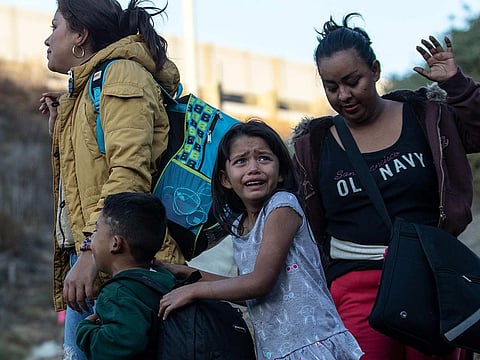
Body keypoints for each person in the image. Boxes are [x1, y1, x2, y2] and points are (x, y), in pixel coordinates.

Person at [291, 12, 480, 360]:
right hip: (355, 288)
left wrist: (456, 85)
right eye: (331, 87)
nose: (344, 95)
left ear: (375, 71)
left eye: (353, 81)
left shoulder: (425, 116)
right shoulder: (313, 145)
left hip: (429, 280)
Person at [38, 1, 184, 358]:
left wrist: (89, 253)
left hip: (120, 263)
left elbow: (129, 174)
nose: (47, 39)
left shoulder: (120, 76)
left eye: (55, 26)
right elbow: (89, 177)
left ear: (80, 36)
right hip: (100, 258)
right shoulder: (84, 93)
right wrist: (62, 121)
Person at [157, 120, 363, 360]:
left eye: (263, 158)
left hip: (311, 343)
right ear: (225, 179)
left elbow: (260, 282)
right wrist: (186, 272)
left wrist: (195, 290)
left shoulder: (282, 206)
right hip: (278, 351)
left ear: (281, 173)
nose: (253, 168)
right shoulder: (240, 226)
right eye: (240, 161)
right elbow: (248, 290)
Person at [75, 192, 176, 359]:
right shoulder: (162, 277)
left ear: (115, 243)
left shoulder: (117, 293)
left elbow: (119, 347)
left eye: (96, 230)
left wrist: (85, 331)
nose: (91, 239)